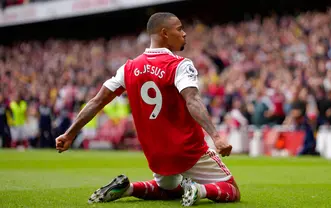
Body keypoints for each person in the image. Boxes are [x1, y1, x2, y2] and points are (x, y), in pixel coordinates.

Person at [55, 12, 240, 206]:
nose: (184, 33)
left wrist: (69, 134)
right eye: (179, 29)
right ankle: (199, 189)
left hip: (156, 154)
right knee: (232, 190)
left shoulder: (128, 68)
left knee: (168, 190)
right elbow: (192, 99)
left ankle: (128, 188)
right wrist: (216, 137)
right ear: (164, 33)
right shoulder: (179, 65)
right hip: (188, 150)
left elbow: (96, 101)